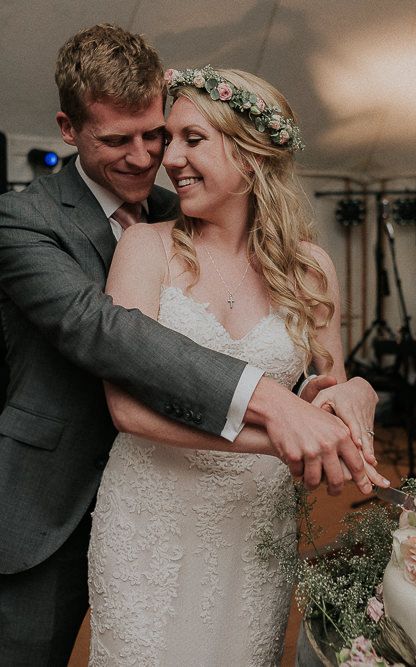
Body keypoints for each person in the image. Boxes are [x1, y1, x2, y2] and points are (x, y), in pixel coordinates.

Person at [0, 25, 386, 665]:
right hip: (55, 501)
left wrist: (356, 392)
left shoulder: (175, 208)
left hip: (241, 516)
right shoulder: (24, 222)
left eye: (159, 134)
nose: (150, 156)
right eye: (117, 140)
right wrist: (276, 409)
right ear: (69, 129)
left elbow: (329, 372)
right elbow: (102, 330)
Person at [88, 64, 360, 664]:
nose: (169, 159)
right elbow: (126, 409)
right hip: (150, 519)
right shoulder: (145, 248)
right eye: (170, 139)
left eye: (193, 139)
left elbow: (326, 383)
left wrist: (353, 393)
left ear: (252, 153)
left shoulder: (309, 268)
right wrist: (278, 441)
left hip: (255, 525)